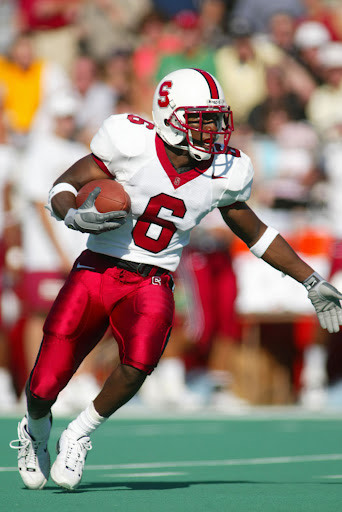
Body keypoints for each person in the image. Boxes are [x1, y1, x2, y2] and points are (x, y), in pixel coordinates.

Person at [10, 68, 342, 491]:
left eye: (218, 119)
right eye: (203, 120)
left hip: (154, 278)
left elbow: (256, 232)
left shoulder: (226, 170)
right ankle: (35, 431)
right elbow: (65, 184)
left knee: (139, 363)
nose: (215, 130)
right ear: (170, 117)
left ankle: (79, 433)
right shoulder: (130, 142)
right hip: (97, 268)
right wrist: (72, 213)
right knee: (43, 385)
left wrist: (311, 280)